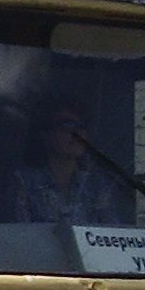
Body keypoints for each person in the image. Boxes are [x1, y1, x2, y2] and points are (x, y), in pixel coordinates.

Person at [12, 96, 133, 227]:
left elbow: (113, 234)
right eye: (66, 125)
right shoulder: (24, 182)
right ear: (45, 135)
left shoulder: (97, 184)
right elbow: (20, 235)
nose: (76, 133)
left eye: (82, 127)